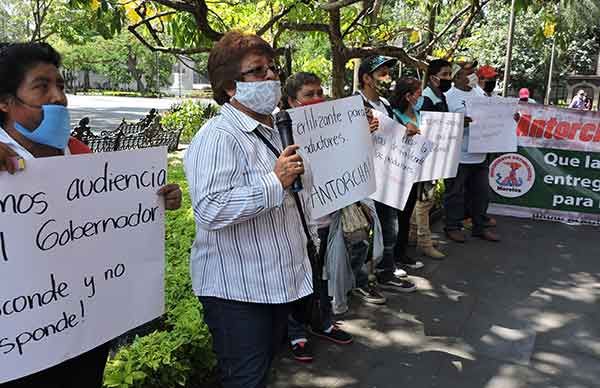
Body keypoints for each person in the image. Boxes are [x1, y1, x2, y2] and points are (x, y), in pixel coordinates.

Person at [0, 42, 182, 388]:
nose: (57, 97)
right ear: (6, 101)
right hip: (19, 348)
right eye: (41, 87)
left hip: (83, 333)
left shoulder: (81, 154)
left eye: (61, 86)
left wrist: (156, 200)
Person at [183, 32, 316, 388]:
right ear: (230, 86)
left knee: (262, 371)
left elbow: (298, 197)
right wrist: (275, 183)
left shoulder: (277, 129)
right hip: (237, 293)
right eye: (257, 72)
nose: (271, 77)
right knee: (245, 379)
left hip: (276, 284)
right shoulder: (218, 136)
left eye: (273, 68)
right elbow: (210, 209)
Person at [282, 72, 355, 363]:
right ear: (291, 101)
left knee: (321, 276)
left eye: (319, 92)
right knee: (299, 277)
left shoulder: (333, 125)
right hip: (299, 219)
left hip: (328, 216)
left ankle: (322, 322)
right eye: (309, 94)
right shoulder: (281, 133)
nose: (317, 99)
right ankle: (296, 333)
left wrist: (365, 134)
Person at [357, 55, 420, 290]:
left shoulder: (384, 104)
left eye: (387, 72)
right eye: (381, 73)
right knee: (363, 230)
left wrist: (407, 131)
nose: (387, 77)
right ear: (366, 78)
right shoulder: (354, 103)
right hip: (363, 177)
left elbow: (393, 135)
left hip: (387, 175)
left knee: (389, 225)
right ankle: (361, 278)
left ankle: (385, 271)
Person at [443, 62, 500, 243]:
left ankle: (479, 226)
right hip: (458, 155)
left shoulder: (479, 93)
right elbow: (443, 124)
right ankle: (452, 226)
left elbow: (493, 114)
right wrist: (460, 122)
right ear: (457, 77)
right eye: (469, 73)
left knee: (481, 193)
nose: (474, 76)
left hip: (480, 153)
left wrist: (507, 117)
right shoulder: (448, 97)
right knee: (455, 193)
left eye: (474, 72)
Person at [390, 77, 445, 260]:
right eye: (418, 93)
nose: (421, 96)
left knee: (411, 210)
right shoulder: (395, 115)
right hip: (401, 173)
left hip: (420, 171)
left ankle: (403, 250)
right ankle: (398, 254)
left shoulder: (418, 113)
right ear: (408, 96)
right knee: (401, 215)